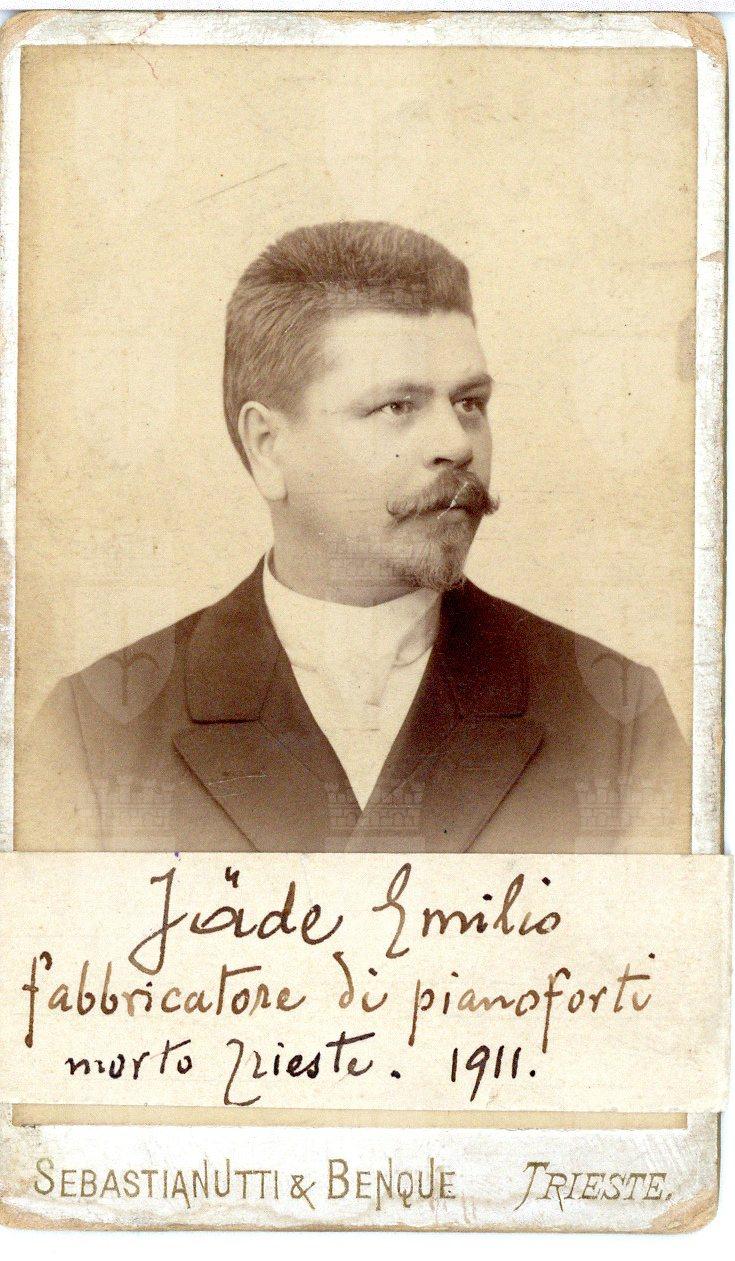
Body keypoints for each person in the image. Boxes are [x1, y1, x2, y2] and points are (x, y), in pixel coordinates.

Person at [17, 220, 690, 854]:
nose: (457, 445)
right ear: (267, 447)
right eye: (397, 406)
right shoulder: (96, 732)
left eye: (470, 403)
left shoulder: (616, 720)